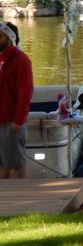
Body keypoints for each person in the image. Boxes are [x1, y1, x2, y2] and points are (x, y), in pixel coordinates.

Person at [0, 21, 34, 179]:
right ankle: (5, 197)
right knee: (2, 164)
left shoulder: (19, 59)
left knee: (16, 163)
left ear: (9, 38)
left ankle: (22, 197)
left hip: (11, 121)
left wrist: (18, 119)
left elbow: (25, 91)